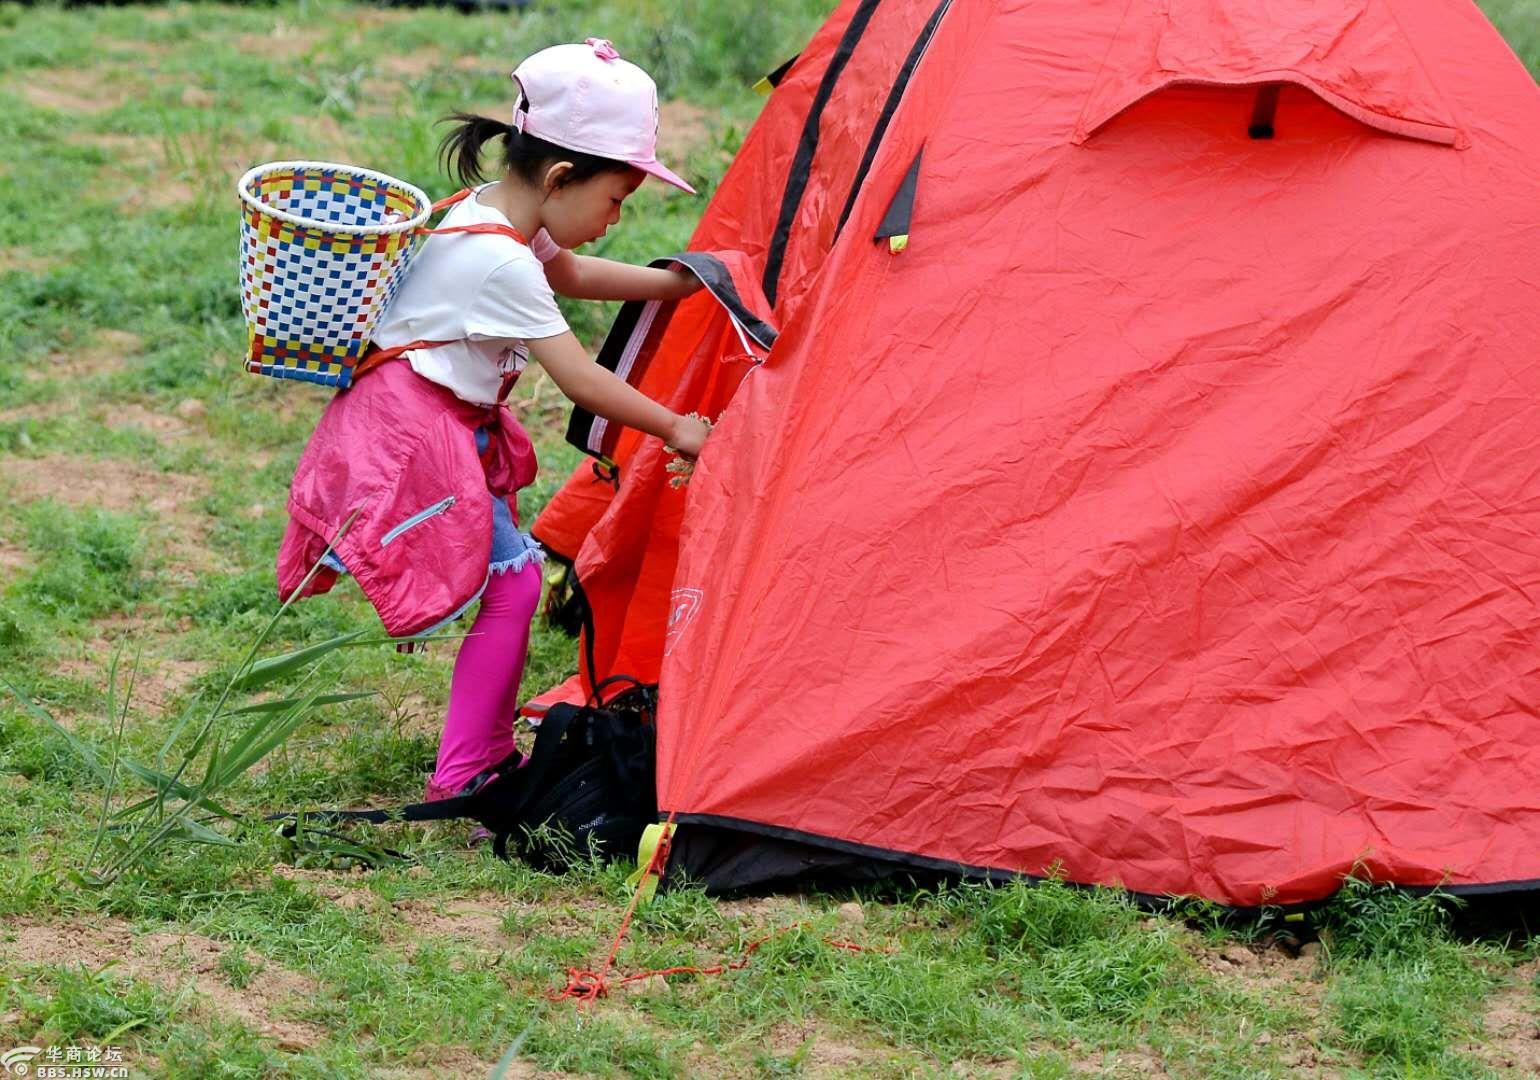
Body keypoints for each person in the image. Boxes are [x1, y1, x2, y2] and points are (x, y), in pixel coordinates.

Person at [276, 37, 709, 811]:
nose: (615, 219)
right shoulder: (501, 264)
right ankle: (468, 769)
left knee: (510, 582)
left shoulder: (499, 214)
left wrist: (674, 287)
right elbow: (579, 377)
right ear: (560, 176)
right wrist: (677, 427)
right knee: (511, 581)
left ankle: (479, 755)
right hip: (412, 436)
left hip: (434, 422)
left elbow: (572, 271)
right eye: (616, 199)